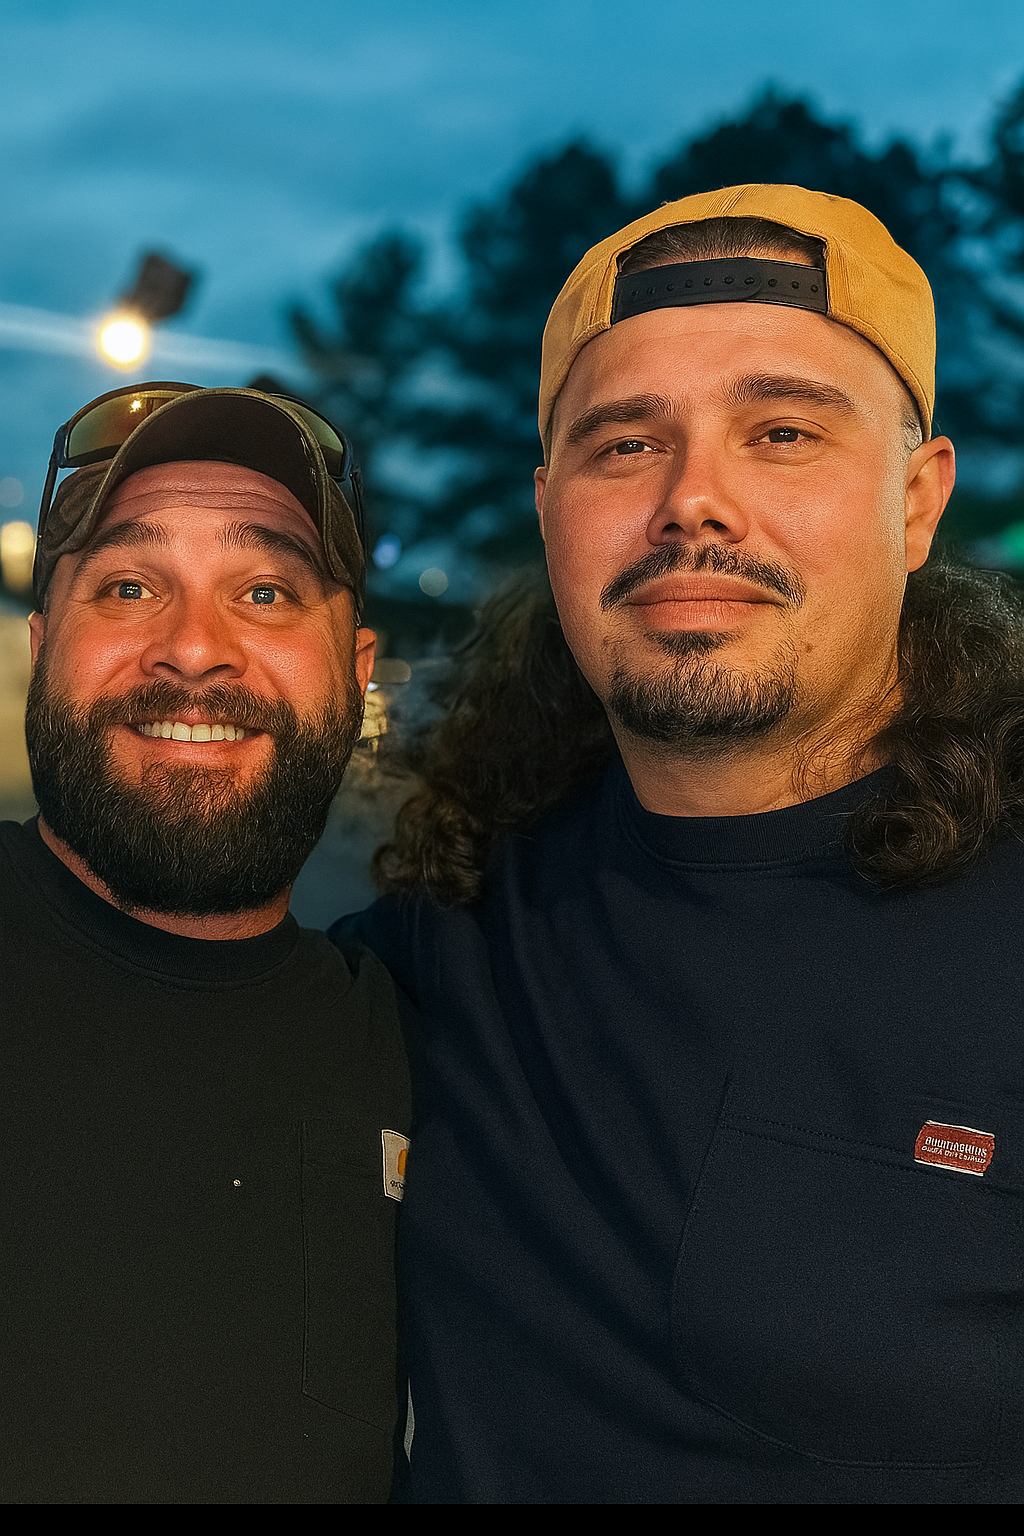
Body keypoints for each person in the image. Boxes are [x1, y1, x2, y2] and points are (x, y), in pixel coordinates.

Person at [349, 185, 1024, 1503]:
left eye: (780, 432)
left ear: (918, 500)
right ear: (549, 512)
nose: (693, 503)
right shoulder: (456, 931)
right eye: (622, 446)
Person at [1, 384, 409, 1504]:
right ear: (43, 647)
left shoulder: (415, 1042)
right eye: (130, 587)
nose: (193, 649)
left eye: (266, 590)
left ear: (357, 670)